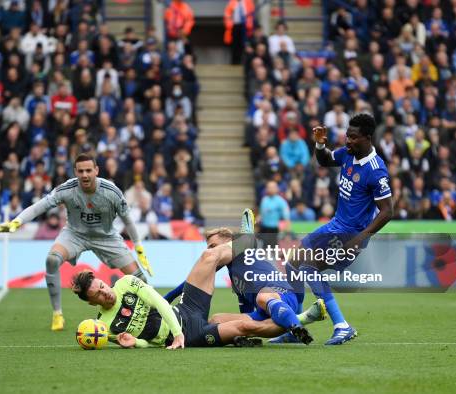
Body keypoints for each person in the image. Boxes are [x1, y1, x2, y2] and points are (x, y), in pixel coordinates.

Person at [71, 212, 317, 348]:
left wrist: (175, 325)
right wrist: (135, 342)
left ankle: (248, 237)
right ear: (92, 303)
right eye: (98, 294)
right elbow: (143, 342)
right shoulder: (107, 327)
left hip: (186, 311)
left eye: (102, 286)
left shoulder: (125, 283)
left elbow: (157, 299)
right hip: (193, 335)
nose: (105, 292)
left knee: (209, 257)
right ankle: (296, 322)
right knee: (241, 325)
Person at [0, 154, 154, 331]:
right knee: (52, 260)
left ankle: (154, 313)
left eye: (88, 170)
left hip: (106, 237)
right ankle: (57, 314)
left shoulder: (112, 191)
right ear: (75, 172)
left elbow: (127, 220)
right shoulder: (67, 189)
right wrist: (17, 221)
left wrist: (138, 246)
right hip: (75, 234)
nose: (85, 175)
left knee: (140, 278)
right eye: (81, 171)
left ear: (96, 171)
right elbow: (40, 206)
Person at [276, 114, 394, 345]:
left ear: (367, 138)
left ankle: (342, 326)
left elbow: (387, 211)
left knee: (308, 267)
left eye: (353, 137)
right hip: (334, 225)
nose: (348, 141)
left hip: (350, 234)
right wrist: (320, 143)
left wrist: (361, 238)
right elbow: (326, 160)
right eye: (347, 136)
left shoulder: (376, 170)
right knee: (293, 264)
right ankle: (295, 327)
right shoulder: (350, 154)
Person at [162, 210, 326, 342]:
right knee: (215, 320)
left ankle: (296, 324)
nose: (211, 250)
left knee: (262, 298)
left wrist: (167, 298)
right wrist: (243, 331)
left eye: (213, 245)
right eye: (209, 247)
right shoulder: (233, 273)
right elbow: (192, 284)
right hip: (265, 311)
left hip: (282, 295)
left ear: (229, 242)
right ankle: (293, 323)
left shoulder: (243, 249)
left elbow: (249, 237)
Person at [223, 0, 255, 65]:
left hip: (245, 26)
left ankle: (242, 62)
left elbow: (252, 13)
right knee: (234, 44)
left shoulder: (248, 2)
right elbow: (227, 14)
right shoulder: (232, 2)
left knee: (244, 44)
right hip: (235, 26)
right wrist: (229, 24)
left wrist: (249, 24)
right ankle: (234, 61)